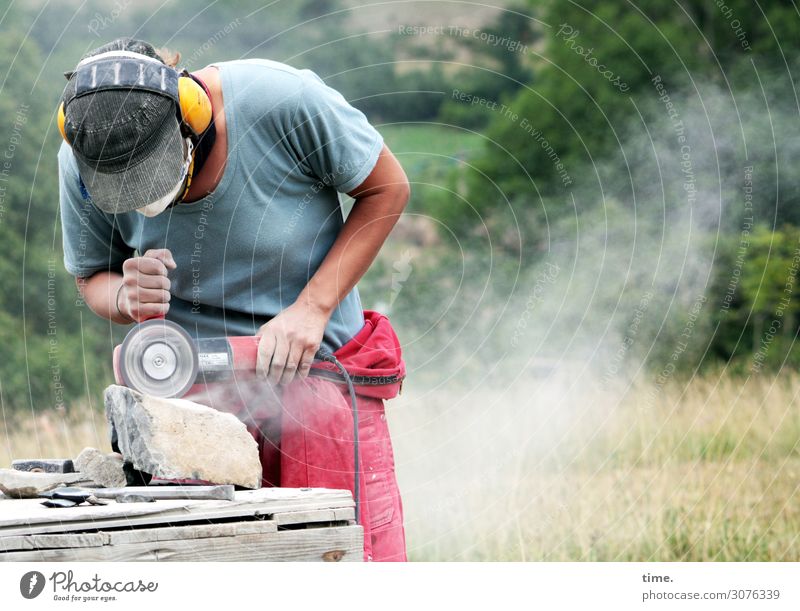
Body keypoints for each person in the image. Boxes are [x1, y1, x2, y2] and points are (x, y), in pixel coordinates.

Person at [57, 38, 409, 561]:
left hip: (317, 377)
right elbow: (94, 279)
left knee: (344, 559)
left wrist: (311, 308)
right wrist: (126, 295)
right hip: (188, 407)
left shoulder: (282, 102)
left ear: (190, 117)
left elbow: (387, 189)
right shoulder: (86, 156)